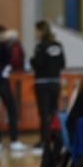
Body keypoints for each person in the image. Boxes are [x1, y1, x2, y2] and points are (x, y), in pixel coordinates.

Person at [31, 21, 66, 149]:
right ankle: (55, 139)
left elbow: (37, 63)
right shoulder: (58, 45)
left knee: (44, 113)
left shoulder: (40, 46)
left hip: (42, 83)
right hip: (55, 82)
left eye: (36, 31)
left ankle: (45, 141)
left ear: (40, 31)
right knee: (53, 112)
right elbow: (62, 64)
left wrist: (32, 60)